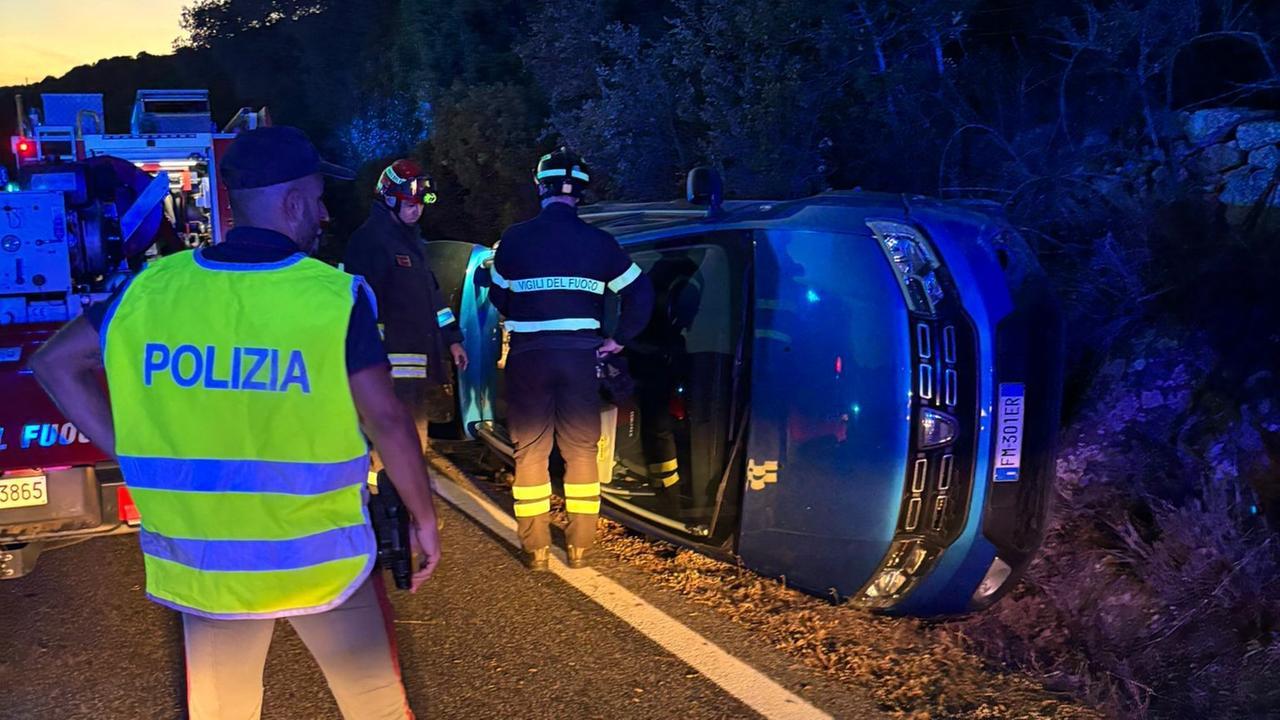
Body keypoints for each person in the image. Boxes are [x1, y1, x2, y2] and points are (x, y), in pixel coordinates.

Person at [30, 126, 440, 720]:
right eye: (320, 199)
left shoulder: (152, 289)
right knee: (373, 704)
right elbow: (386, 419)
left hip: (206, 560)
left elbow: (55, 363)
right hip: (318, 556)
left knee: (222, 709)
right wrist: (424, 519)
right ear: (294, 202)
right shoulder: (329, 296)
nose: (324, 214)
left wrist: (132, 452)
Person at [488, 147, 654, 570]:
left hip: (529, 358)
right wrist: (618, 339)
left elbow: (500, 295)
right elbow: (640, 293)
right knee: (581, 450)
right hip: (581, 357)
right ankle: (581, 546)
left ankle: (536, 548)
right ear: (580, 192)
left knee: (531, 452)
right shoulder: (600, 244)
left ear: (539, 187)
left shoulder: (515, 238)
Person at [344, 159, 467, 432]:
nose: (417, 211)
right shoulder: (369, 242)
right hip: (387, 365)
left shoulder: (412, 245)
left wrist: (453, 340)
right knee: (395, 437)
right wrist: (373, 356)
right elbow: (360, 304)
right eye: (411, 205)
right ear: (389, 201)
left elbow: (432, 298)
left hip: (414, 364)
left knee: (414, 432)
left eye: (421, 205)